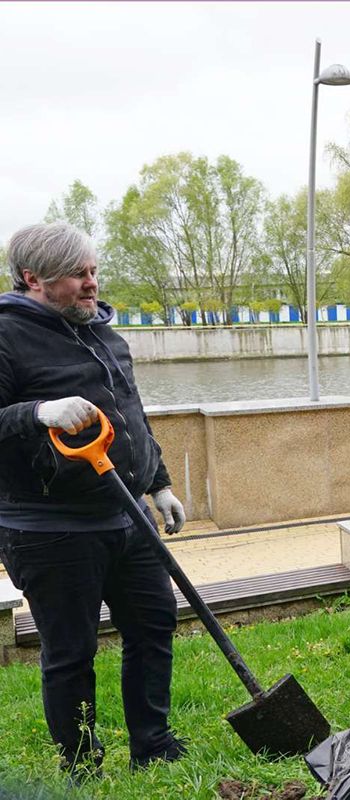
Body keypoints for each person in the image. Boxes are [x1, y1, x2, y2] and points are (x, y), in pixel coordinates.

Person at [0, 223, 187, 779]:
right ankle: (82, 763)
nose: (92, 284)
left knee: (154, 625)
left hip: (126, 515)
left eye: (94, 271)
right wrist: (37, 412)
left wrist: (160, 483)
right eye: (78, 275)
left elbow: (133, 413)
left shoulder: (104, 332)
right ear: (33, 278)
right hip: (48, 526)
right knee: (71, 651)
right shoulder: (7, 335)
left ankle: (152, 744)